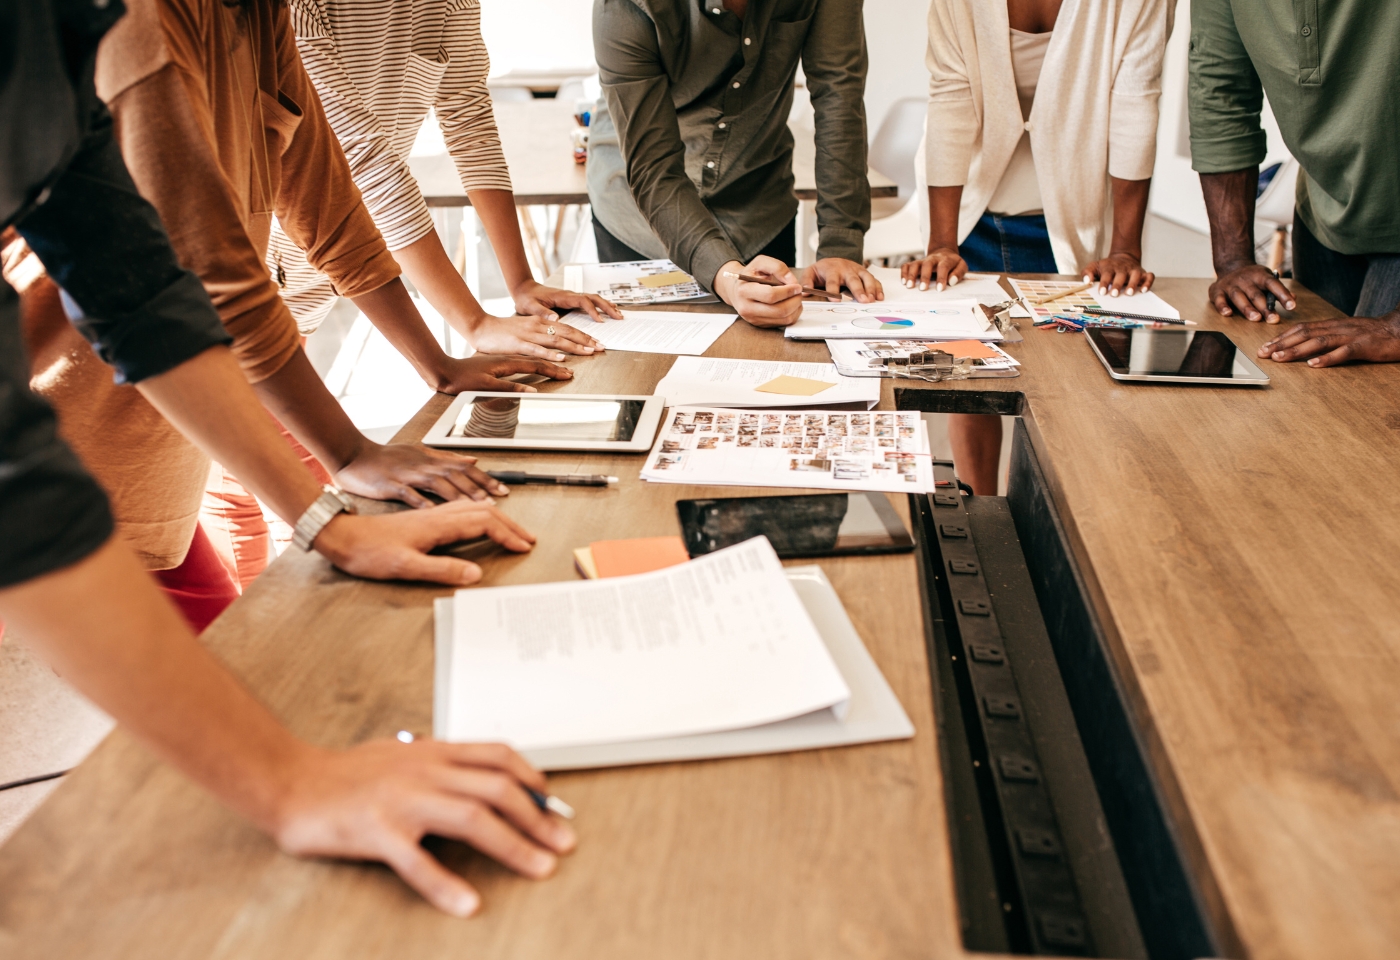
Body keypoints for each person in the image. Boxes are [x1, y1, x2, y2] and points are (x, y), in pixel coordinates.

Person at [2, 0, 573, 914]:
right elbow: (203, 264)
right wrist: (286, 783)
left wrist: (333, 507)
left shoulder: (235, 17)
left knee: (271, 697)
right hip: (66, 461)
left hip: (133, 465)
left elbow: (145, 279)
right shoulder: (144, 26)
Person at [90, 0, 574, 592]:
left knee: (250, 555)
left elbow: (329, 200)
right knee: (229, 606)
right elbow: (214, 267)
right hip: (105, 398)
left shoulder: (263, 16)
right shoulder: (155, 27)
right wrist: (341, 476)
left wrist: (439, 361)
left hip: (203, 350)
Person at [901, 0, 1171, 493]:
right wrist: (942, 240)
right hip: (968, 214)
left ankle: (1037, 522)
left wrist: (1125, 249)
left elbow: (1136, 104)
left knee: (1064, 387)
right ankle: (980, 512)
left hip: (1073, 224)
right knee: (969, 376)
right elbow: (950, 103)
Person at [269, 0, 622, 364]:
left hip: (328, 258)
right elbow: (363, 159)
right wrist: (475, 323)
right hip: (259, 256)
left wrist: (520, 283)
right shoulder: (299, 6)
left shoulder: (448, 4)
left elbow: (471, 125)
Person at [589, 0, 883, 328]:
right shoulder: (623, 5)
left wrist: (839, 245)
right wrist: (727, 276)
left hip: (757, 206)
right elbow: (654, 166)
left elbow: (839, 97)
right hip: (644, 222)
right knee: (646, 370)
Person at [1187, 0, 1400, 368]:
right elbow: (1221, 92)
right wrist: (1233, 259)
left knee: (1371, 410)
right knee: (1312, 397)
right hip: (1322, 214)